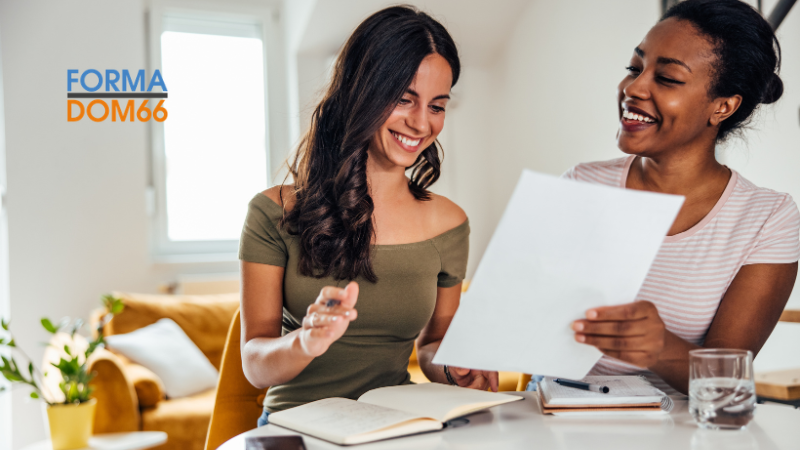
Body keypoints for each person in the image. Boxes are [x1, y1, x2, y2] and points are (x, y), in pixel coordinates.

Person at [238, 6, 498, 425]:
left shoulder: (449, 224)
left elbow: (433, 345)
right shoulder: (274, 212)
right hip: (299, 427)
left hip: (397, 423)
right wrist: (306, 341)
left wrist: (455, 368)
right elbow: (254, 362)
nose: (420, 123)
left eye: (437, 106)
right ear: (361, 93)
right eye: (403, 99)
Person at [565, 0, 799, 394]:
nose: (633, 88)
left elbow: (725, 384)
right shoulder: (581, 186)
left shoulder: (767, 218)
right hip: (558, 416)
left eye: (668, 79)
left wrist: (659, 348)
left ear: (722, 106)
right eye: (634, 69)